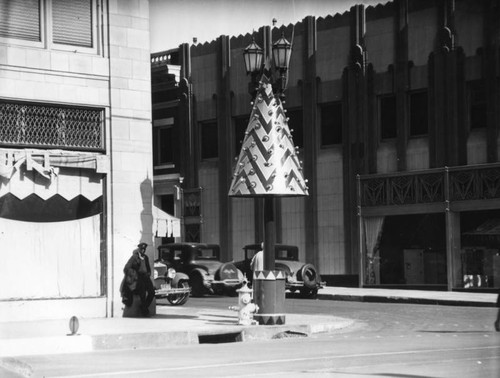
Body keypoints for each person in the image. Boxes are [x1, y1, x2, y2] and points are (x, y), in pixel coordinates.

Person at [121, 242, 155, 316]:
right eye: (142, 249)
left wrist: (148, 274)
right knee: (142, 291)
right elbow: (126, 268)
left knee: (152, 292)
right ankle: (144, 310)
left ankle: (144, 306)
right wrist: (134, 274)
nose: (143, 250)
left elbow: (149, 269)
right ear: (139, 249)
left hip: (146, 278)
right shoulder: (134, 257)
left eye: (144, 249)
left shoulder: (146, 258)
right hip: (138, 278)